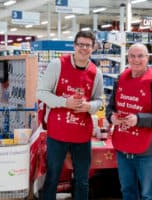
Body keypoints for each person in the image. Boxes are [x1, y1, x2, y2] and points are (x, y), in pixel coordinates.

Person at [36, 31, 103, 200]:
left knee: (82, 179)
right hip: (57, 132)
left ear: (93, 48)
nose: (83, 48)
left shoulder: (96, 72)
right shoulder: (57, 64)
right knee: (52, 176)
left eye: (87, 45)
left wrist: (89, 106)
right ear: (74, 45)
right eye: (80, 44)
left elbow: (99, 101)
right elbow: (41, 92)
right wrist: (64, 102)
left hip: (82, 134)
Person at [106, 43, 152, 200]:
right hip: (123, 148)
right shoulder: (120, 80)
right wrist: (111, 117)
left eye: (141, 56)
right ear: (127, 58)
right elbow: (110, 108)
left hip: (147, 152)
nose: (136, 60)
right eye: (132, 56)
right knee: (127, 191)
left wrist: (139, 119)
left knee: (148, 195)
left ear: (147, 58)